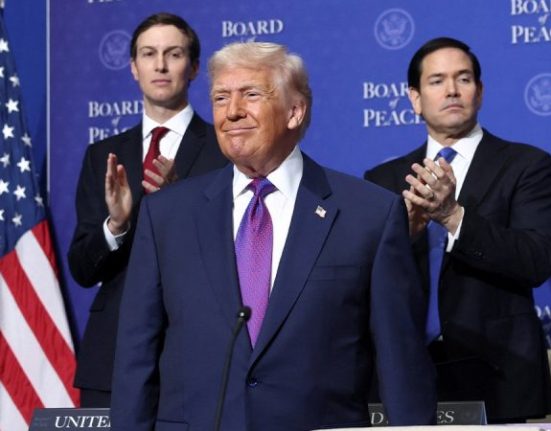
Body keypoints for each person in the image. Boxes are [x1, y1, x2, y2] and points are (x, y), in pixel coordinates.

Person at [109, 41, 436, 430]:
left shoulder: (369, 214)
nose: (232, 111)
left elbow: (401, 362)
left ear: (295, 111)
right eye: (220, 98)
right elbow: (136, 355)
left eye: (250, 95)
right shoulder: (167, 215)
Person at [365, 37, 551, 423]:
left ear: (479, 91)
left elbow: (536, 259)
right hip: (405, 376)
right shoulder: (382, 180)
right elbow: (365, 281)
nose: (451, 90)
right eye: (437, 81)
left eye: (463, 79)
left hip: (497, 374)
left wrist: (452, 216)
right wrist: (403, 237)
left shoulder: (526, 166)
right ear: (415, 98)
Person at [67, 12, 227, 407]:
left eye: (173, 54)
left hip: (198, 353)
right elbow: (83, 269)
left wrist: (179, 202)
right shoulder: (102, 155)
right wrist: (116, 225)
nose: (160, 65)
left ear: (193, 68)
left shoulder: (226, 151)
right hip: (113, 357)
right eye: (148, 54)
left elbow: (236, 255)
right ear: (134, 68)